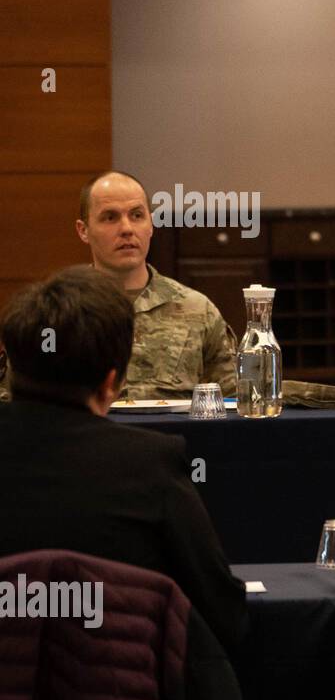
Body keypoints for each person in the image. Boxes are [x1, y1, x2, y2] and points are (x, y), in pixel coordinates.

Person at [0, 266, 247, 654]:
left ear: (12, 371)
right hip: (120, 696)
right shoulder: (149, 464)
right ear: (112, 382)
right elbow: (222, 612)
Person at [0, 171, 237, 402]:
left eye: (136, 215)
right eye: (110, 217)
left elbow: (233, 403)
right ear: (83, 231)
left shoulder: (197, 311)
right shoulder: (53, 314)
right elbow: (16, 403)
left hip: (172, 440)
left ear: (151, 225)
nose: (126, 229)